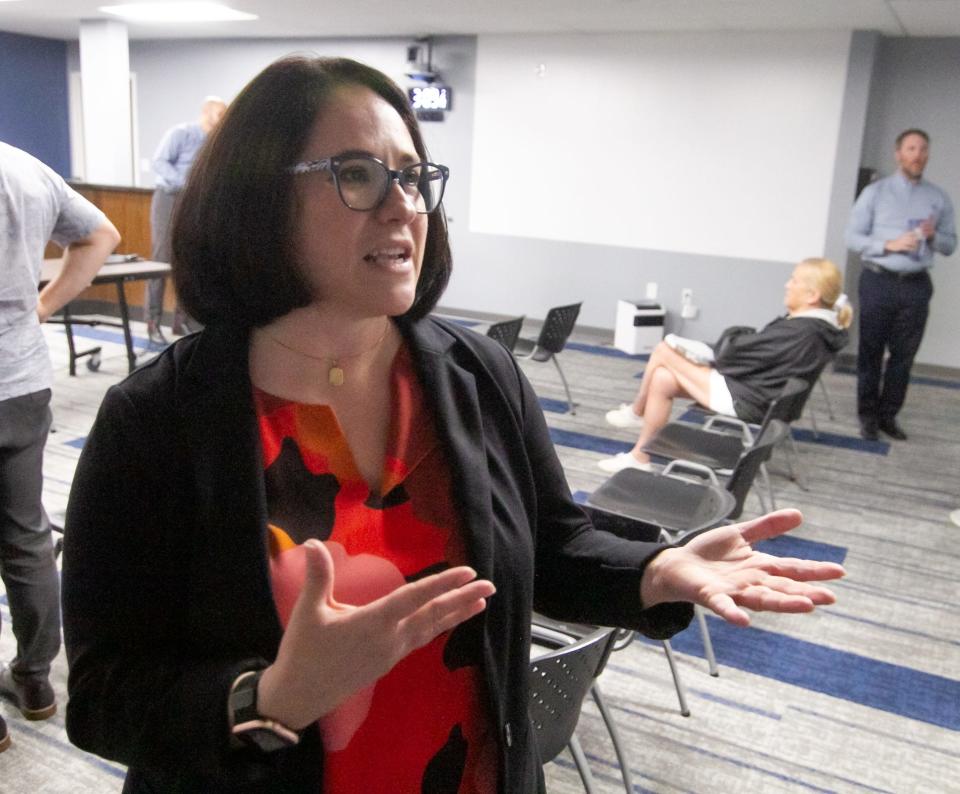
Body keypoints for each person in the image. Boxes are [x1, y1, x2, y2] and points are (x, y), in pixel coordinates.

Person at [61, 57, 844, 792]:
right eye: (359, 175)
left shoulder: (474, 374)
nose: (404, 204)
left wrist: (653, 571)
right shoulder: (158, 422)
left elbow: (550, 538)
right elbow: (101, 697)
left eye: (412, 177)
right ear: (257, 197)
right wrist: (271, 695)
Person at [0, 141, 120, 753]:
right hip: (19, 382)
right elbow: (101, 234)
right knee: (25, 535)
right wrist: (41, 306)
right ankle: (37, 682)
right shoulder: (23, 168)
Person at [600, 258, 851, 473]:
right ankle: (640, 457)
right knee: (663, 378)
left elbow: (734, 356)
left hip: (748, 400)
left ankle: (636, 412)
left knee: (664, 350)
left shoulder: (803, 332)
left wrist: (728, 348)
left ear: (812, 295)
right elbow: (754, 354)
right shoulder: (816, 327)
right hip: (757, 392)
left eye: (794, 280)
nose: (787, 285)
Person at [845, 128, 956, 442]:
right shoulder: (875, 193)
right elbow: (851, 238)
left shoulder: (938, 198)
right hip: (878, 280)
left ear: (927, 155)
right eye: (911, 149)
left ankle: (887, 416)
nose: (917, 155)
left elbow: (950, 245)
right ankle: (867, 417)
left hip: (916, 285)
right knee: (870, 352)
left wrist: (933, 236)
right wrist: (888, 244)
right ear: (899, 154)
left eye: (923, 149)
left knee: (904, 356)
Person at [145, 95, 227, 344]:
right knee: (162, 259)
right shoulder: (181, 133)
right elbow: (159, 162)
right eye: (219, 114)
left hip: (194, 201)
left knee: (187, 258)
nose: (222, 119)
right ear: (206, 112)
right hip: (169, 198)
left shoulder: (215, 142)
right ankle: (152, 322)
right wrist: (184, 185)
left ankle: (182, 322)